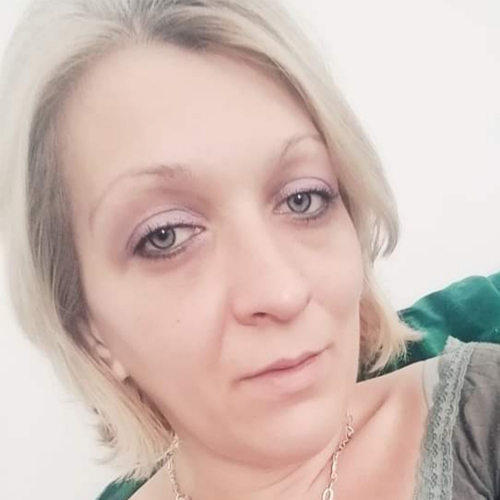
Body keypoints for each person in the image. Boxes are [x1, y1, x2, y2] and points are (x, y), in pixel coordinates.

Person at [0, 1, 498, 499]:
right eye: (165, 235)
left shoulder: (483, 419)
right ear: (87, 329)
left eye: (304, 199)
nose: (282, 292)